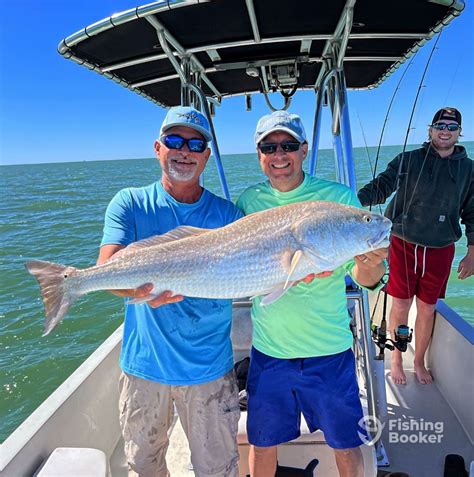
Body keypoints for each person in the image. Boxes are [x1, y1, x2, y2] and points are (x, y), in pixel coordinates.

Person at [236, 111, 388, 477]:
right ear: (259, 154)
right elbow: (236, 265)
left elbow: (366, 278)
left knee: (346, 444)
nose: (279, 154)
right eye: (269, 147)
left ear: (303, 150)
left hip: (330, 350)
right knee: (262, 442)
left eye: (288, 145)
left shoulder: (337, 198)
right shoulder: (248, 201)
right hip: (271, 352)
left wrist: (373, 259)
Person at [97, 106, 243, 477]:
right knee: (144, 465)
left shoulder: (229, 216)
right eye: (174, 141)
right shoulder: (129, 203)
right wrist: (141, 289)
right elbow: (107, 270)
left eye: (196, 144)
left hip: (209, 368)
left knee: (218, 468)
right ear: (158, 147)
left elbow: (254, 272)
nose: (185, 151)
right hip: (145, 367)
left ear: (207, 155)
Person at [358, 107, 473, 386]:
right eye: (439, 125)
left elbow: (472, 211)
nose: (445, 130)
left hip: (441, 248)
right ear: (430, 130)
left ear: (459, 133)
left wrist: (472, 251)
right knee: (401, 304)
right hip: (402, 242)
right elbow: (381, 186)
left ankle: (418, 360)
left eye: (451, 126)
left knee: (427, 308)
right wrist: (351, 199)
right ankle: (396, 358)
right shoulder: (409, 159)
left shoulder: (469, 169)